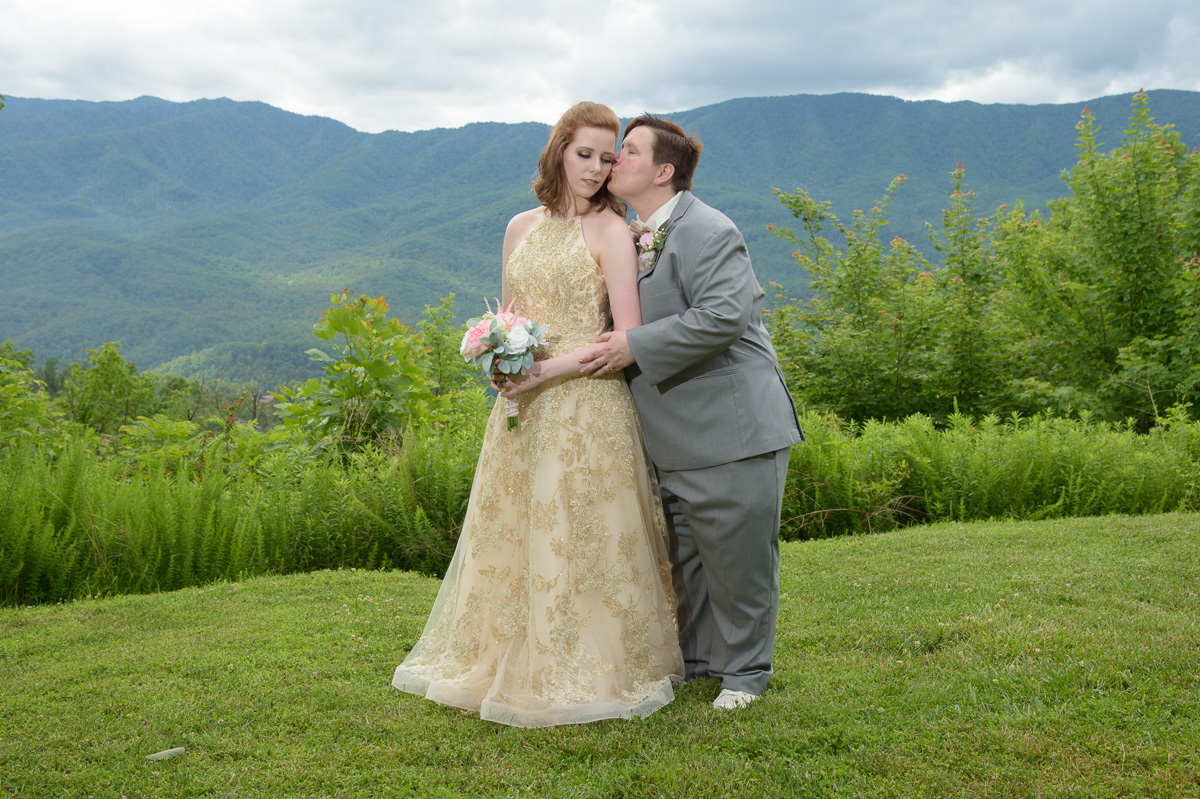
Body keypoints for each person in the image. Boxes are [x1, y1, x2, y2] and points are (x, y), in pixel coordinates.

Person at [392, 102, 683, 727]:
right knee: (516, 528)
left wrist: (544, 372)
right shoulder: (519, 226)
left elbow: (624, 336)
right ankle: (499, 652)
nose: (596, 169)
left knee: (579, 533)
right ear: (558, 151)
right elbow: (512, 317)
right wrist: (502, 359)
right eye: (585, 154)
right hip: (521, 405)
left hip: (585, 404)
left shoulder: (612, 229)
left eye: (609, 158)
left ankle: (589, 660)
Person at [580, 114, 804, 710]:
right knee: (688, 560)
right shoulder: (633, 232)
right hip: (671, 431)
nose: (611, 162)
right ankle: (702, 664)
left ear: (663, 171)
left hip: (731, 426)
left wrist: (635, 346)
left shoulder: (707, 228)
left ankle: (747, 675)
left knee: (739, 560)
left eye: (625, 152)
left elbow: (727, 314)